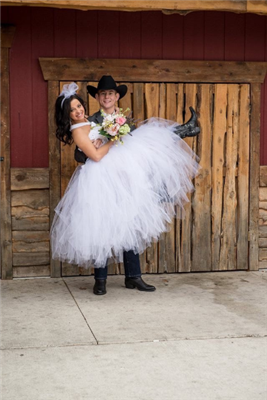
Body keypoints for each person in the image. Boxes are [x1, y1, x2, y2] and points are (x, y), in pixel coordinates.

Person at [51, 78, 200, 296]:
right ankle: (100, 280)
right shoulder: (90, 120)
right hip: (102, 180)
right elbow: (82, 152)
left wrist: (110, 137)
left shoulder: (123, 120)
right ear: (97, 98)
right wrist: (108, 139)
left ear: (117, 96)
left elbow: (133, 145)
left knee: (131, 221)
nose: (107, 97)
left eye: (110, 93)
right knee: (101, 225)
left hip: (126, 175)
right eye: (102, 94)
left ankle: (134, 277)